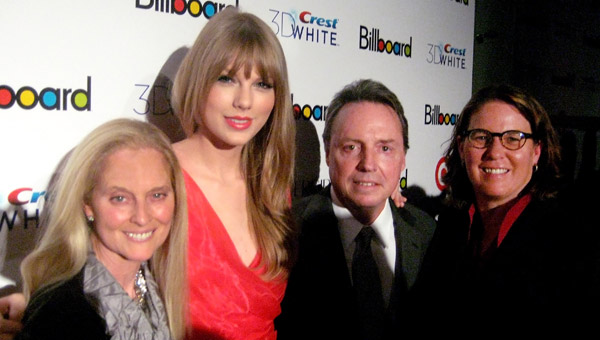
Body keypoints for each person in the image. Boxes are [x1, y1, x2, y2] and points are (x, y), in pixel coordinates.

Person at [416, 84, 594, 323]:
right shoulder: (450, 226)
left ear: (536, 152)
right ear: (461, 147)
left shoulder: (572, 240)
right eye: (481, 137)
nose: (495, 151)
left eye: (513, 138)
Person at [169, 7, 296, 340]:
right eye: (227, 79)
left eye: (262, 84)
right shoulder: (159, 175)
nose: (245, 101)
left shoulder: (273, 186)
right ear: (198, 80)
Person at [275, 79, 436, 340]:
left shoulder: (428, 234)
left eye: (385, 148)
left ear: (403, 157)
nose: (368, 164)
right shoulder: (285, 233)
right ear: (328, 152)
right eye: (351, 147)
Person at [13, 118, 188, 340]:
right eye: (120, 198)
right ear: (88, 204)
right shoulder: (61, 313)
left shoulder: (156, 285)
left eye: (157, 195)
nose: (142, 217)